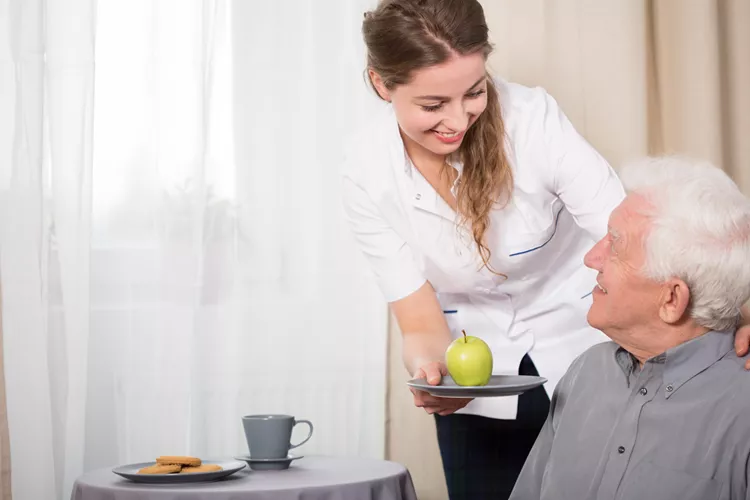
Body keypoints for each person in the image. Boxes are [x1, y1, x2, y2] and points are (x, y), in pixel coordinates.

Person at [340, 0, 750, 498]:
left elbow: (633, 237)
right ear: (381, 84)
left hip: (590, 349)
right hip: (477, 379)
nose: (458, 120)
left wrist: (734, 306)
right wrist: (432, 373)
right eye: (432, 105)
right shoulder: (366, 171)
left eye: (473, 93)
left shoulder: (532, 120)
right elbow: (420, 320)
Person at [509, 156, 750, 500]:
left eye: (615, 244)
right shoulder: (586, 373)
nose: (591, 258)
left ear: (671, 299)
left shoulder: (742, 408)